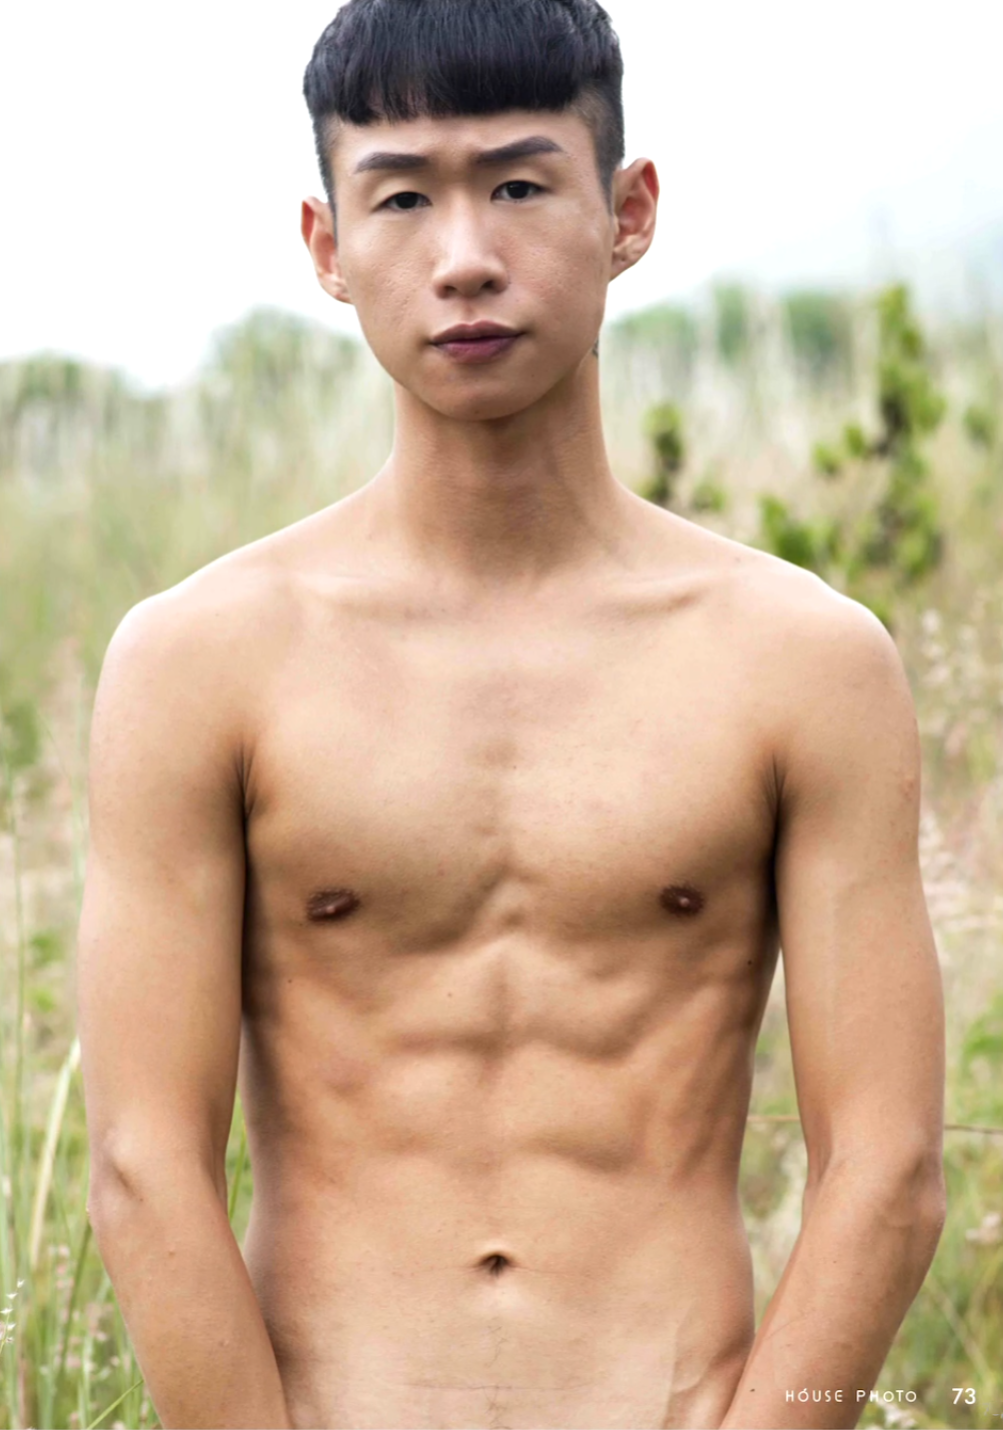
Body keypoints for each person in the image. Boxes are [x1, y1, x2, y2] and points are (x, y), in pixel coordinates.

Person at [76, 1, 947, 1426]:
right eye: (402, 198)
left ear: (628, 211)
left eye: (522, 185)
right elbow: (140, 1162)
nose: (466, 255)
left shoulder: (804, 663)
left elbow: (888, 1167)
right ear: (326, 245)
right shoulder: (198, 662)